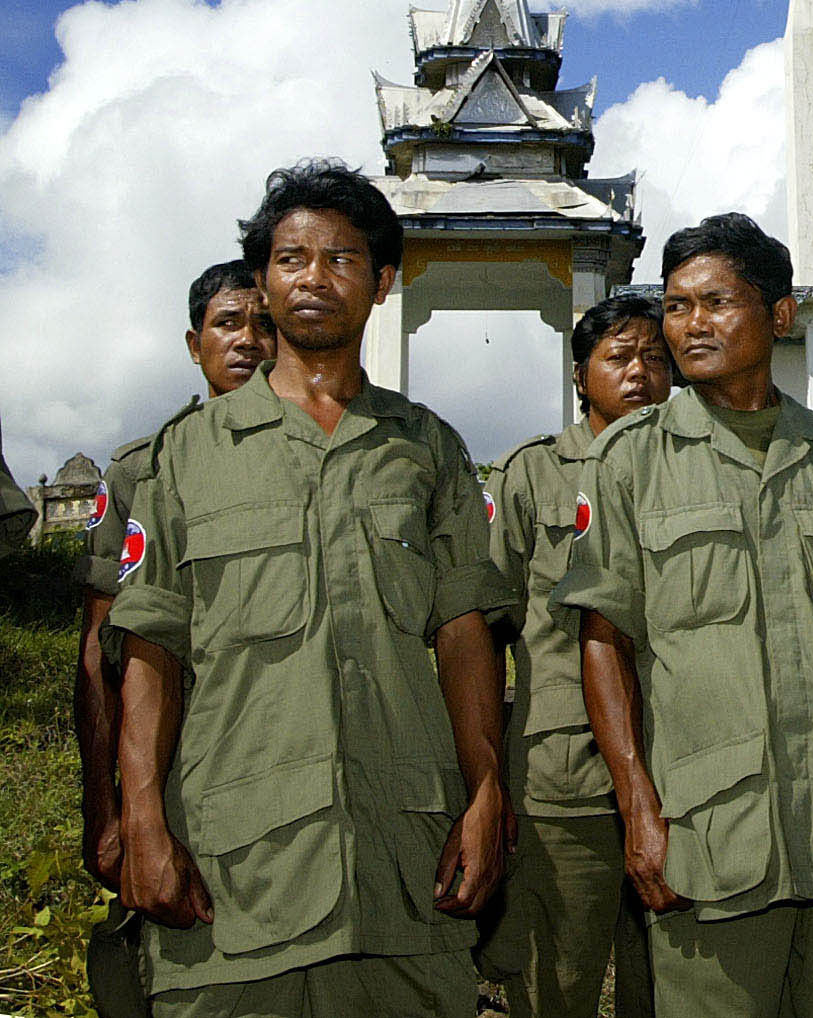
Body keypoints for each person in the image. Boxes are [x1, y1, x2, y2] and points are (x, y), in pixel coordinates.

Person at [106, 160, 511, 1015]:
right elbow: (152, 648)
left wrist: (484, 797)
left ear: (383, 281)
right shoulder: (187, 454)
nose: (314, 279)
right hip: (234, 874)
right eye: (291, 259)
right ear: (262, 282)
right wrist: (140, 816)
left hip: (403, 864)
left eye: (342, 259)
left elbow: (464, 634)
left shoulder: (428, 448)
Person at [553, 212, 813, 1018]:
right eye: (677, 306)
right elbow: (604, 644)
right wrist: (639, 813)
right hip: (710, 845)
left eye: (716, 302)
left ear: (779, 315)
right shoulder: (631, 460)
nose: (690, 325)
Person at [74, 262, 274, 1018]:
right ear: (195, 344)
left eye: (265, 325)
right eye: (229, 324)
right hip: (170, 768)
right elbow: (99, 656)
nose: (249, 342)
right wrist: (110, 808)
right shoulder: (142, 469)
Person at [477, 294, 672, 1018]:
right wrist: (490, 776)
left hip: (679, 760)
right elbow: (488, 625)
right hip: (564, 772)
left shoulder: (688, 470)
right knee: (559, 978)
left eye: (656, 359)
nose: (640, 374)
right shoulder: (530, 475)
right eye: (619, 358)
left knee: (671, 982)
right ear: (579, 375)